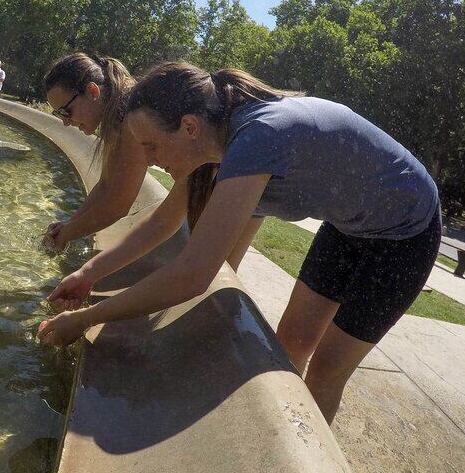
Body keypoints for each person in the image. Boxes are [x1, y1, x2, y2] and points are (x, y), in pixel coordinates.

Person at [38, 62, 441, 424]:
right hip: (349, 226)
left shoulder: (256, 139)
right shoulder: (217, 140)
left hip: (405, 233)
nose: (150, 159)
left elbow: (194, 273)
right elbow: (161, 223)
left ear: (189, 127)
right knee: (290, 343)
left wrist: (86, 319)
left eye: (151, 146)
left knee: (327, 370)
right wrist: (88, 273)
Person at [41, 53, 150, 253]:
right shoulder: (117, 116)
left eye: (65, 111)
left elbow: (118, 205)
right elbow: (106, 185)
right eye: (58, 115)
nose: (65, 122)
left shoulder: (133, 117)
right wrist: (68, 224)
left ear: (92, 91)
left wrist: (66, 235)